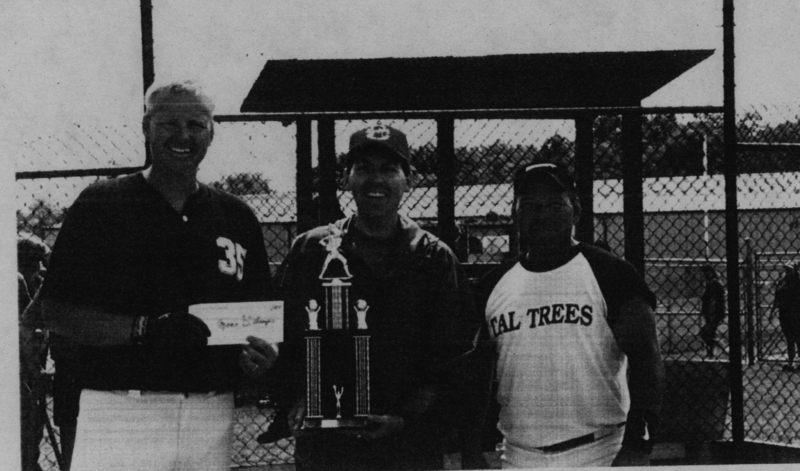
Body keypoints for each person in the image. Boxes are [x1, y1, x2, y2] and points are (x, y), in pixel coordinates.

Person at [38, 80, 278, 471]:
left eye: (196, 125)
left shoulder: (237, 215)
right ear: (146, 127)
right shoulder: (102, 203)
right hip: (121, 408)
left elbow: (260, 318)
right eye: (169, 123)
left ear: (212, 133)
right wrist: (144, 328)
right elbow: (58, 312)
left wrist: (260, 356)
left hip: (210, 409)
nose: (183, 135)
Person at [274, 124, 487, 470]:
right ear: (346, 178)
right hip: (328, 445)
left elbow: (456, 358)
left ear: (409, 179)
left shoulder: (433, 257)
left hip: (407, 446)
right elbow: (284, 335)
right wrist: (297, 397)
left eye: (389, 169)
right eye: (364, 168)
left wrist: (406, 419)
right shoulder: (312, 249)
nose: (376, 180)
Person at [476, 162, 664, 468]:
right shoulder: (491, 286)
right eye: (530, 205)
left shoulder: (611, 274)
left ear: (575, 210)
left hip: (600, 451)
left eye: (553, 203)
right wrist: (480, 446)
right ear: (515, 214)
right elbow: (477, 378)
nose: (542, 213)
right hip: (518, 454)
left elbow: (647, 362)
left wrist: (636, 447)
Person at [18, 234, 50, 471]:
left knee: (34, 420)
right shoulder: (17, 281)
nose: (40, 271)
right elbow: (23, 330)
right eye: (35, 264)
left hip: (30, 368)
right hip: (22, 371)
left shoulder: (35, 282)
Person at [774, 263, 800, 371]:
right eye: (786, 270)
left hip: (796, 312)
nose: (787, 272)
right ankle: (791, 361)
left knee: (798, 337)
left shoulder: (798, 282)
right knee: (789, 338)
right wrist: (772, 310)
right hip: (784, 312)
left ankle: (796, 360)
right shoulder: (783, 282)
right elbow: (777, 296)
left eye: (790, 270)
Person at [699, 265, 726, 359]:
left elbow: (716, 300)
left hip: (714, 312)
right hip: (710, 312)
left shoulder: (715, 284)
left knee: (706, 333)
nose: (705, 274)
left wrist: (714, 312)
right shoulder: (709, 284)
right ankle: (711, 352)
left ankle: (722, 347)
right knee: (709, 333)